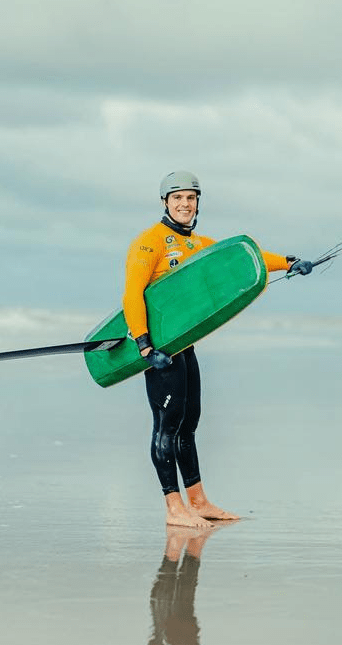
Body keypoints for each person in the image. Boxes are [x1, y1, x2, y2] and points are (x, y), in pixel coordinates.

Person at [123, 171, 312, 528]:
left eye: (190, 198)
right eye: (177, 198)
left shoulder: (199, 245)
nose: (184, 204)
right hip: (159, 350)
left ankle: (198, 500)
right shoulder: (149, 243)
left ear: (197, 203)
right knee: (166, 425)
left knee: (189, 421)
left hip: (184, 346)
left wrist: (289, 262)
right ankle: (173, 507)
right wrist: (145, 346)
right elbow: (132, 294)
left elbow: (243, 259)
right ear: (165, 202)